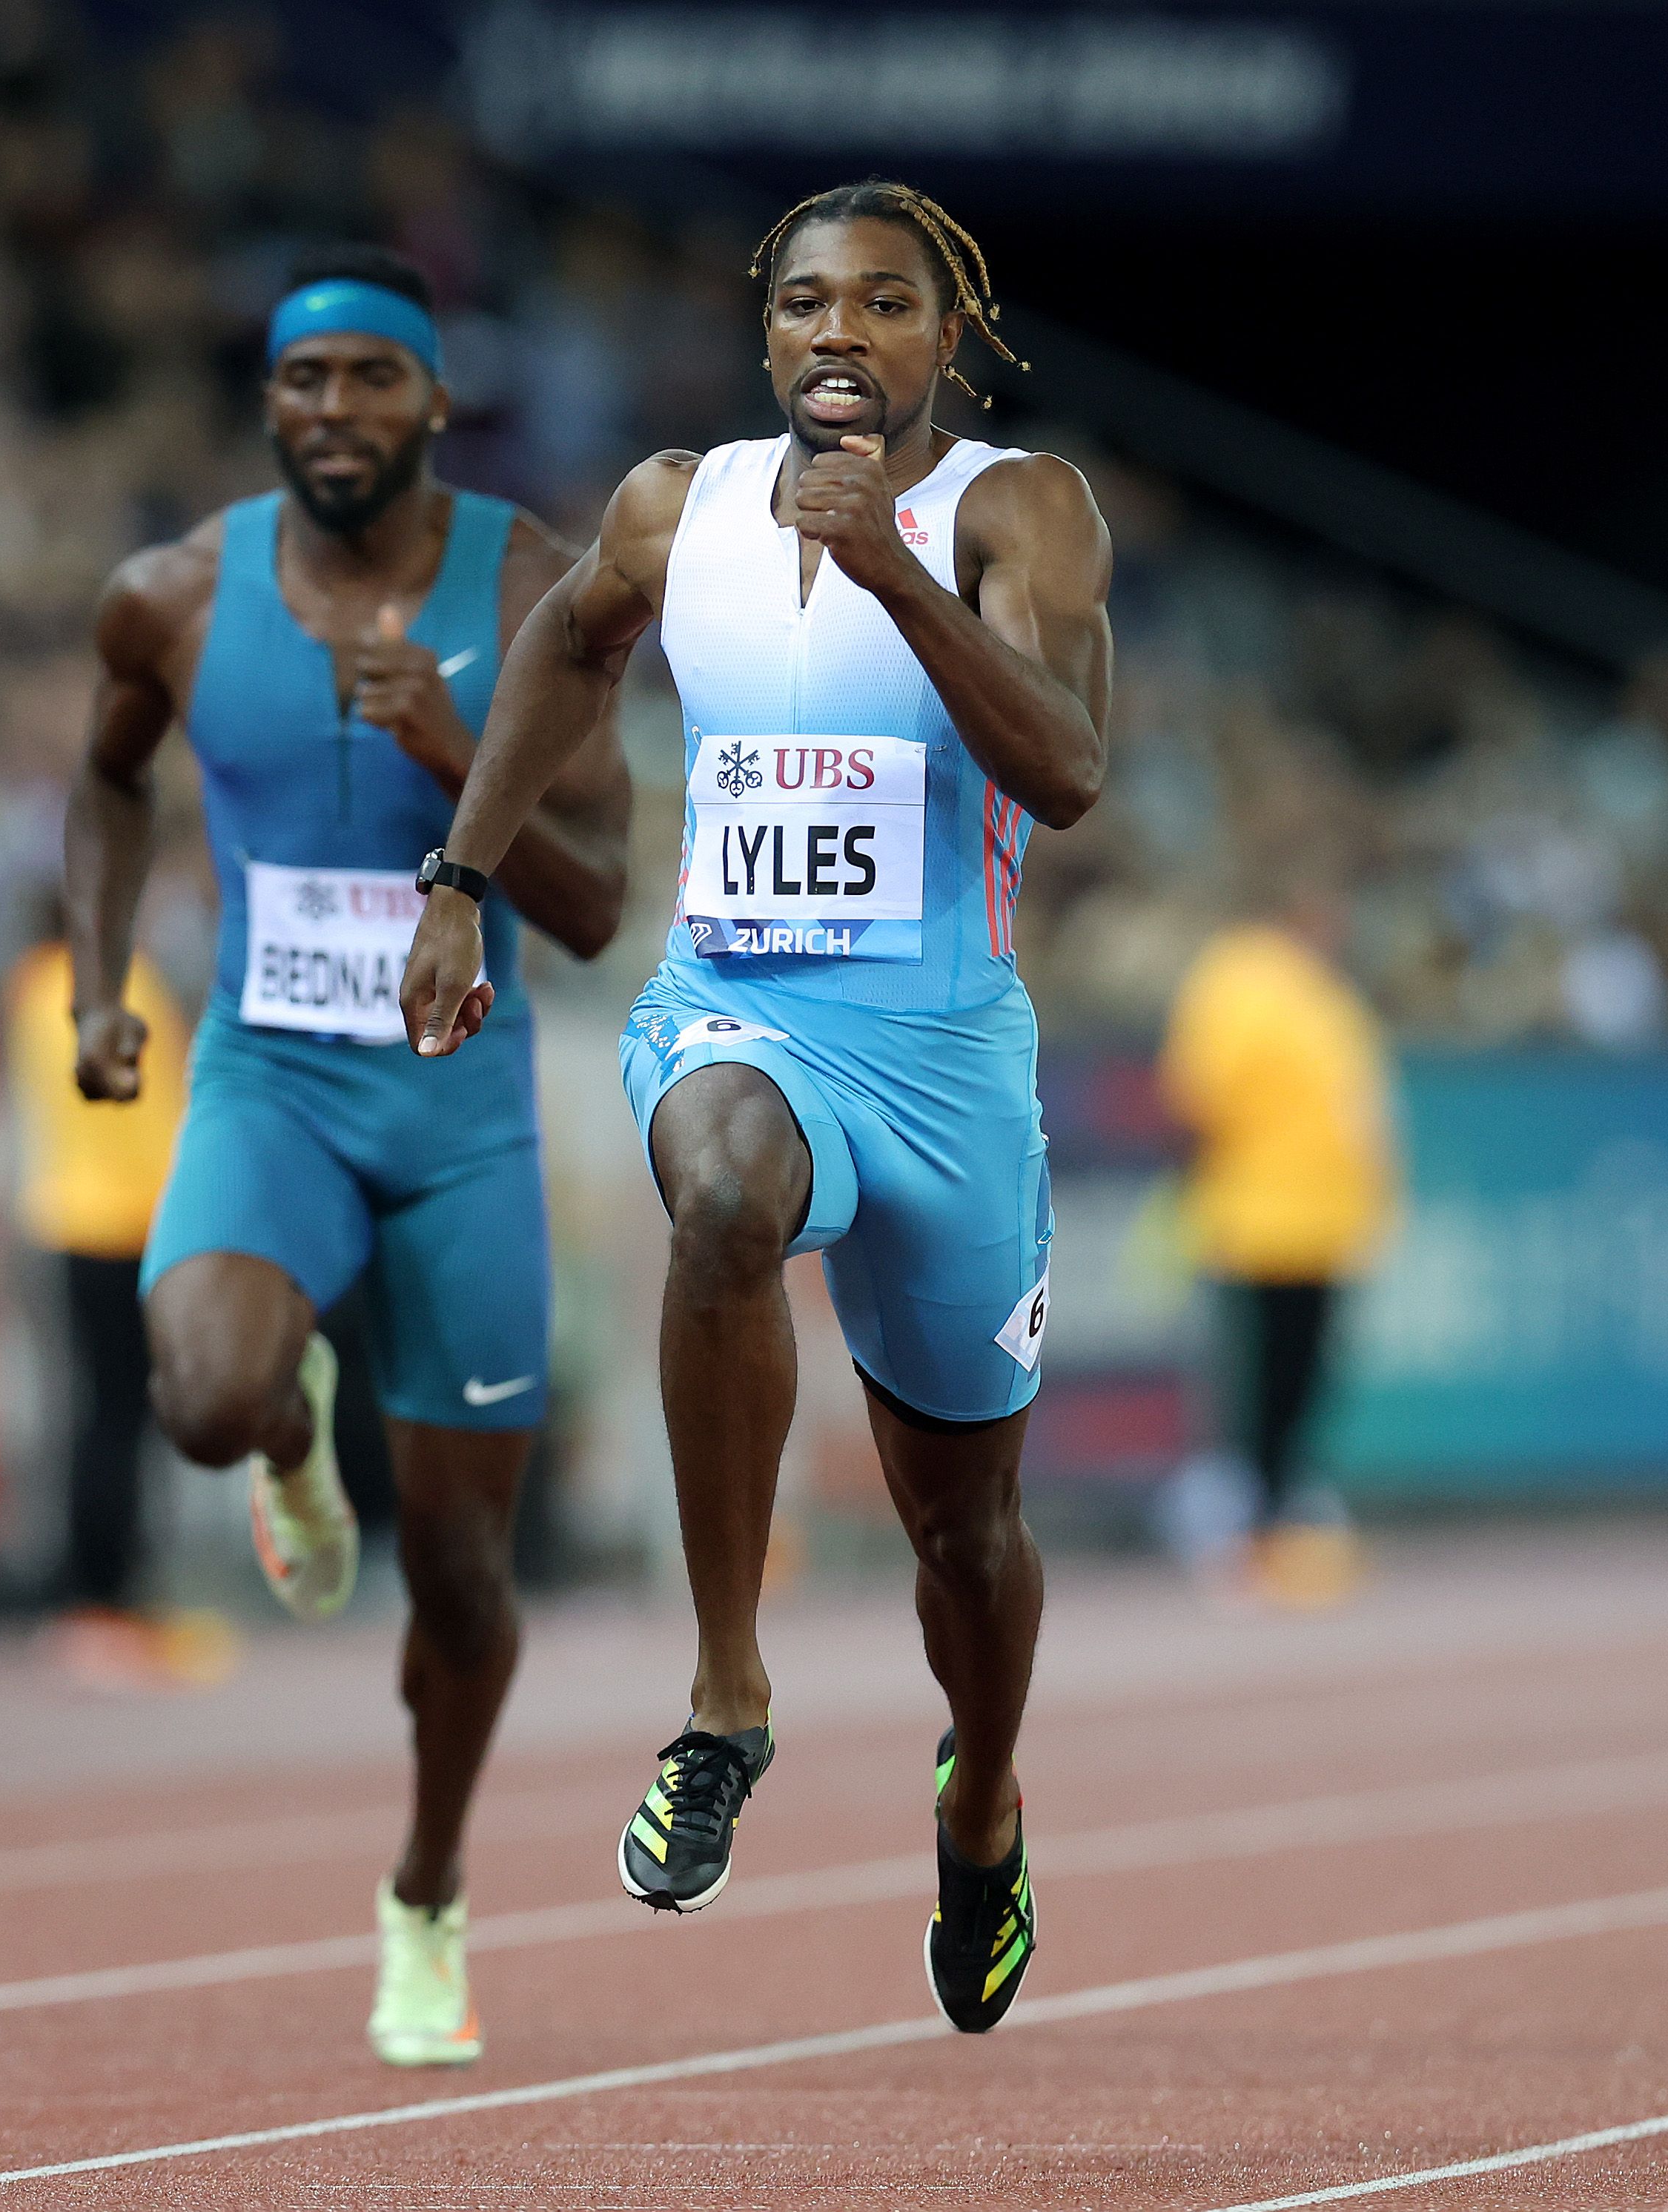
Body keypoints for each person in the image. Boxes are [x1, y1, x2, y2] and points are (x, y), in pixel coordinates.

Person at [400, 180, 1111, 2036]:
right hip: (734, 1000)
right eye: (806, 304)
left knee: (967, 1531)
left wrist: (888, 566)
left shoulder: (1012, 509)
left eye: (885, 305)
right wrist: (459, 882)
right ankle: (728, 1699)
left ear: (943, 338)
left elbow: (1071, 765)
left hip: (947, 1055)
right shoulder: (675, 503)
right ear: (765, 330)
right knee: (718, 1192)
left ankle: (985, 1799)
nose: (839, 336)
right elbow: (568, 643)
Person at [62, 245, 632, 2067]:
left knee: (462, 1577)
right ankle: (294, 1433)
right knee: (209, 1396)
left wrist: (453, 742)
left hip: (458, 1119)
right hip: (271, 1084)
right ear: (269, 404)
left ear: (435, 401)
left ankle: (428, 1895)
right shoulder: (168, 593)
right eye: (305, 383)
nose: (335, 413)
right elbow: (106, 777)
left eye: (373, 380)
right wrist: (96, 984)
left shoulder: (535, 589)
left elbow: (601, 905)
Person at [1156, 871, 1398, 1606]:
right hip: (1258, 1222)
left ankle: (1280, 1518)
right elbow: (1197, 1091)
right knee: (1255, 1387)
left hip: (1323, 1225)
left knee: (1299, 1384)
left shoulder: (1320, 989)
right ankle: (1237, 1529)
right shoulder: (1239, 979)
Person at [0, 925, 230, 1688]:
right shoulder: (128, 983)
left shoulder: (38, 982)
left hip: (67, 1213)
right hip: (127, 1221)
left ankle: (102, 1594)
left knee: (102, 1413)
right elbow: (151, 1110)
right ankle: (103, 1597)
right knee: (118, 1417)